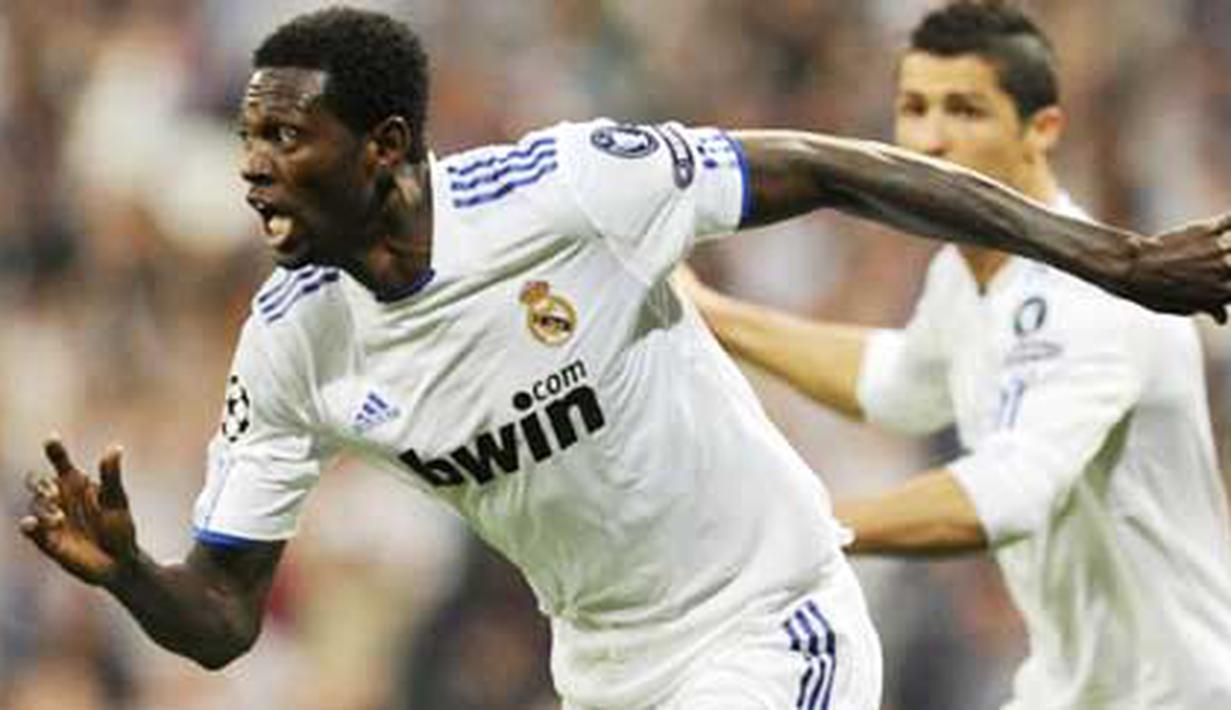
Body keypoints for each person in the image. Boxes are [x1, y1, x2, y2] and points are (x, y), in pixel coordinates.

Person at [16, 6, 1231, 710]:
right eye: (248, 136)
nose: (253, 166)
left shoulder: (567, 192)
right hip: (605, 674)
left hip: (770, 624)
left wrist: (1112, 257)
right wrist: (129, 572)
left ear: (384, 145)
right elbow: (223, 616)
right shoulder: (290, 344)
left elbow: (826, 167)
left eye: (287, 136)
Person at [680, 2, 1231, 708]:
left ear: (1041, 130)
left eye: (965, 111)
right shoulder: (964, 273)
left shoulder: (1087, 304)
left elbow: (1005, 495)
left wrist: (801, 529)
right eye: (914, 108)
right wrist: (717, 317)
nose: (929, 141)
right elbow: (899, 382)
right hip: (1071, 689)